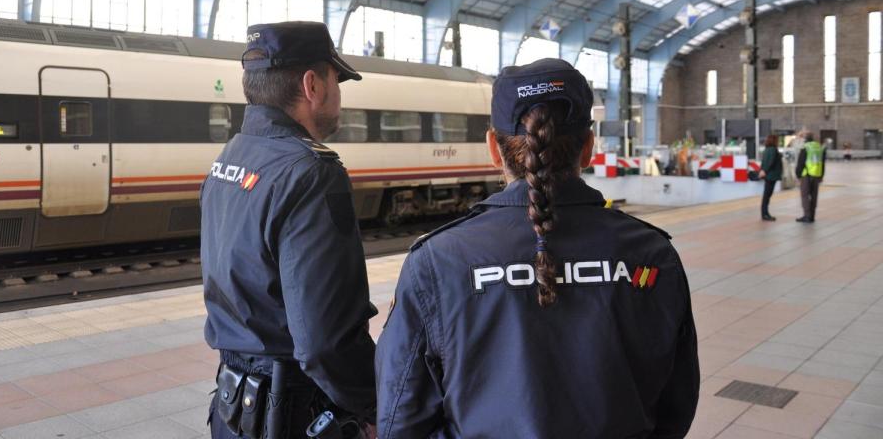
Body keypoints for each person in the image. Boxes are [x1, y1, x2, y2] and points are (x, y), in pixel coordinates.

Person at [375, 59, 699, 439]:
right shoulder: (652, 255)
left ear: (494, 149)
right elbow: (676, 405)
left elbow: (400, 415)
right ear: (589, 148)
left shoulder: (437, 261)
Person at [202, 22, 376, 439]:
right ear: (312, 84)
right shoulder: (312, 172)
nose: (339, 95)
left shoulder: (230, 157)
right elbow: (324, 341)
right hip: (296, 414)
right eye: (338, 80)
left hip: (233, 410)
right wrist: (374, 406)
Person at [795, 131, 826, 223]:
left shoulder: (806, 147)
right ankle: (812, 216)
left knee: (805, 195)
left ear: (805, 139)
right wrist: (821, 175)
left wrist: (798, 175)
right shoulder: (819, 147)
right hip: (816, 174)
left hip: (806, 175)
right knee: (814, 196)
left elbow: (801, 163)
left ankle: (807, 216)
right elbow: (823, 163)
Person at [759, 135, 782, 221]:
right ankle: (765, 214)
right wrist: (765, 170)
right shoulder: (773, 150)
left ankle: (764, 213)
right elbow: (771, 162)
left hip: (767, 175)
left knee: (766, 195)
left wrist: (762, 170)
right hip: (771, 175)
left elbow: (764, 161)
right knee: (767, 195)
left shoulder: (766, 149)